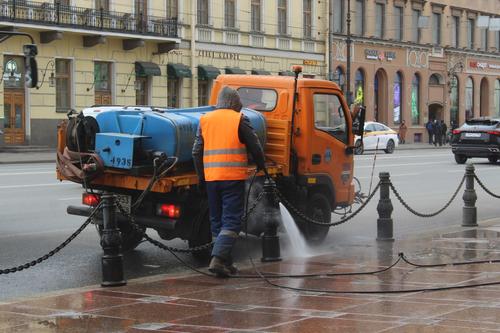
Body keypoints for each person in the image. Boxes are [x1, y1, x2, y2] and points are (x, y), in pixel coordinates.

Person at [192, 87, 266, 278]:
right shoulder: (239, 119)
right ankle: (217, 259)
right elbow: (255, 145)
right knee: (232, 222)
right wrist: (261, 165)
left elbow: (196, 151)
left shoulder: (205, 120)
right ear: (234, 103)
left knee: (217, 221)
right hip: (232, 177)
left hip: (211, 178)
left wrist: (201, 177)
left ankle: (226, 262)